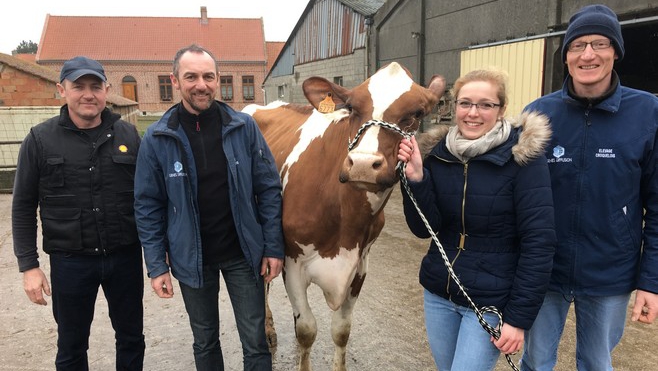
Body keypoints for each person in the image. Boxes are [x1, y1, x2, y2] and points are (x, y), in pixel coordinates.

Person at [520, 4, 658, 371]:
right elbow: (512, 195)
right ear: (566, 56)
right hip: (544, 270)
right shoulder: (537, 114)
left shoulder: (648, 113)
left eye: (599, 43)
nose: (588, 54)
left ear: (616, 51)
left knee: (597, 364)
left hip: (610, 272)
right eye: (577, 45)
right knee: (534, 361)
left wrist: (651, 282)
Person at [133, 44, 284, 371]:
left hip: (243, 254)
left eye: (208, 76)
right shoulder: (158, 138)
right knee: (205, 340)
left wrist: (273, 247)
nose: (201, 84)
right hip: (191, 258)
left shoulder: (243, 128)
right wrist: (157, 265)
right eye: (191, 77)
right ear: (175, 81)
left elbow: (269, 189)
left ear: (217, 80)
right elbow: (148, 205)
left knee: (256, 341)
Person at [397, 68, 556, 370]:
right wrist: (417, 179)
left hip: (489, 301)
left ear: (501, 110)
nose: (473, 113)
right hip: (439, 294)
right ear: (453, 106)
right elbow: (423, 228)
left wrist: (518, 319)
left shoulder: (522, 159)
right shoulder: (438, 155)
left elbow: (540, 243)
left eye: (485, 104)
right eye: (465, 103)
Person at [12, 56, 145, 370]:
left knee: (131, 338)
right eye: (79, 86)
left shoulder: (128, 137)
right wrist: (28, 266)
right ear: (62, 90)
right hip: (71, 262)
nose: (88, 94)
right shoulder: (40, 140)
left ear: (106, 90)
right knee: (71, 345)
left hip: (123, 257)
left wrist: (159, 250)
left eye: (95, 86)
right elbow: (22, 207)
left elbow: (149, 199)